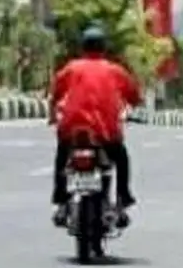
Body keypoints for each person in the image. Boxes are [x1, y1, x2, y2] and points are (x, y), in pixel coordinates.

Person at [50, 24, 143, 228]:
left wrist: (52, 116)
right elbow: (135, 96)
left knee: (62, 158)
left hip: (72, 131)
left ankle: (61, 201)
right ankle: (122, 199)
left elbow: (55, 93)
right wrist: (132, 105)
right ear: (104, 48)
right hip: (106, 133)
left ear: (83, 47)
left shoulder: (72, 68)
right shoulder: (115, 71)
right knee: (121, 159)